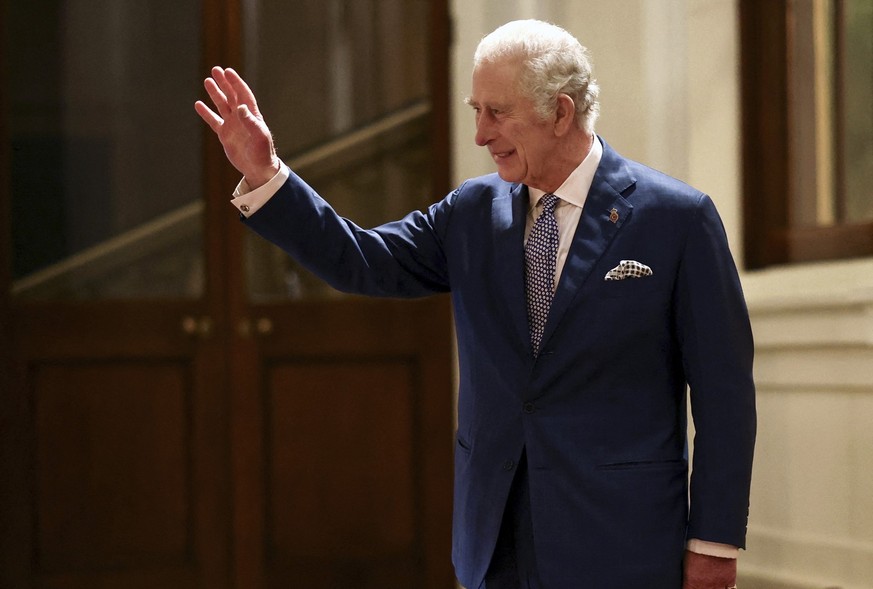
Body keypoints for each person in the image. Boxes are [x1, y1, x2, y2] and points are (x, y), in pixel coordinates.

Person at [195, 19, 755, 589]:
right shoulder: (471, 212)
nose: (481, 135)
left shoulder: (676, 219)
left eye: (498, 112)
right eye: (475, 110)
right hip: (494, 539)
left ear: (561, 114)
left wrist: (713, 543)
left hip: (620, 539)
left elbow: (724, 396)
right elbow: (362, 259)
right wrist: (266, 175)